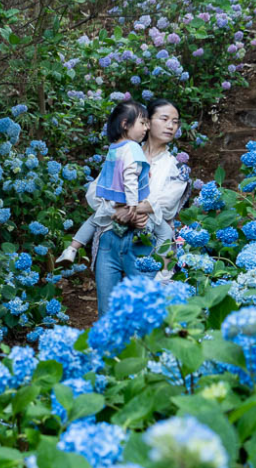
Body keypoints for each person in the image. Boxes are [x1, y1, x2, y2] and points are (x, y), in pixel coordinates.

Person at [80, 99, 191, 315]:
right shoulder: (122, 152)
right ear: (147, 122)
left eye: (175, 122)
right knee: (108, 311)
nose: (171, 126)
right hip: (111, 241)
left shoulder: (176, 166)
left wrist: (127, 210)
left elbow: (166, 205)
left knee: (143, 312)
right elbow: (94, 192)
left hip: (146, 246)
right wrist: (121, 212)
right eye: (165, 119)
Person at [56, 101, 149, 264]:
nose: (146, 128)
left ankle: (72, 248)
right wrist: (133, 203)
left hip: (108, 197)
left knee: (94, 219)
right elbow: (130, 176)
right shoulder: (133, 148)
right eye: (142, 123)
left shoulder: (115, 147)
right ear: (125, 124)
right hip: (124, 199)